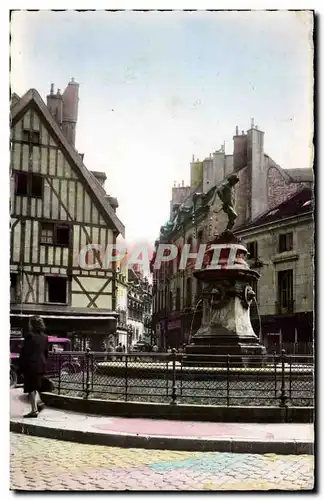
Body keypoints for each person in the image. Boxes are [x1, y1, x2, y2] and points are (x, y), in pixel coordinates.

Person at [18, 316, 48, 418]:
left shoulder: (29, 336)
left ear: (33, 325)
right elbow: (45, 352)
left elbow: (25, 352)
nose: (28, 325)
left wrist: (20, 367)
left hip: (31, 365)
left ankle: (34, 410)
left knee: (30, 387)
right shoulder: (45, 337)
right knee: (35, 386)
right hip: (41, 364)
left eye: (30, 323)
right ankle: (39, 403)